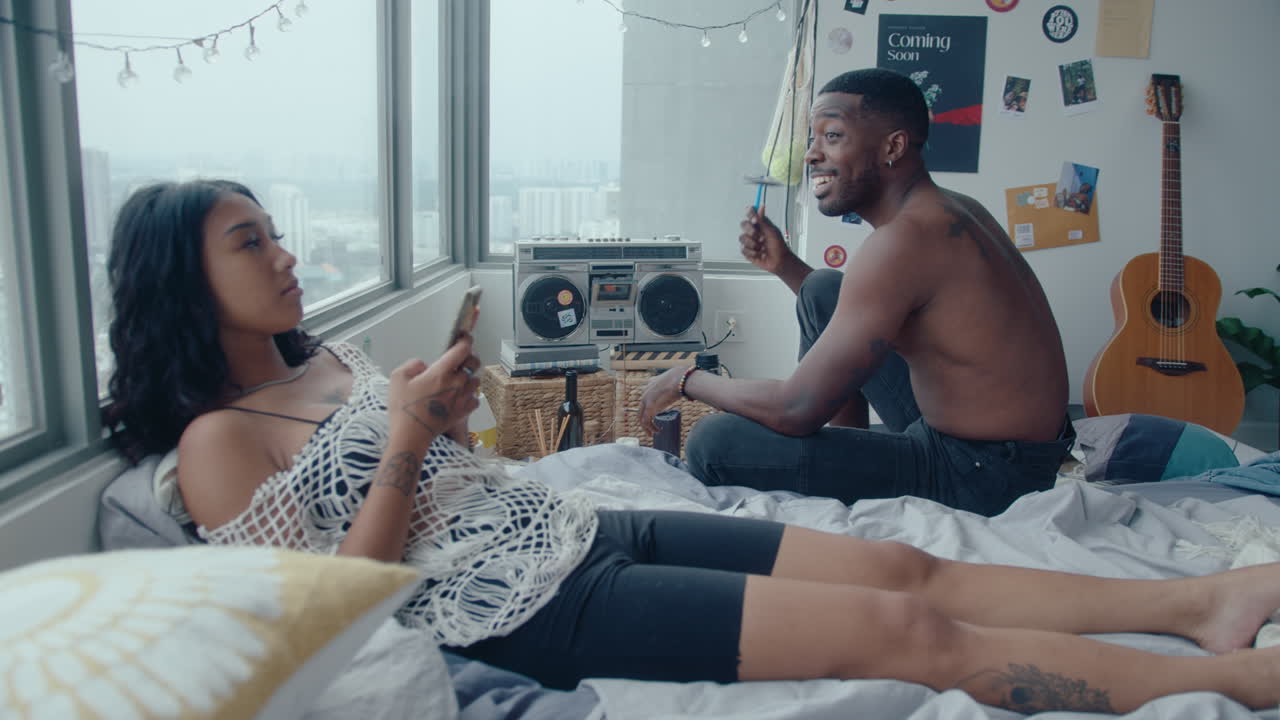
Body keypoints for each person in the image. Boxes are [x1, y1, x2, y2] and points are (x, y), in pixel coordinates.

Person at [102, 178, 1280, 715]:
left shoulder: (327, 357)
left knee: (901, 568)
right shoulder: (211, 445)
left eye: (271, 230)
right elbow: (340, 601)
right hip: (506, 606)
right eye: (247, 242)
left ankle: (1194, 601)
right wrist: (408, 438)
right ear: (180, 282)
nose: (283, 254)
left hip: (565, 526)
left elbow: (429, 462)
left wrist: (439, 422)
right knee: (902, 634)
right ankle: (1214, 676)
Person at [641, 68, 1071, 516]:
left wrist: (686, 379)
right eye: (813, 138)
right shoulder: (951, 209)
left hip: (982, 477)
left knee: (716, 442)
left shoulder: (902, 242)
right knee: (822, 288)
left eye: (832, 135)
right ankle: (852, 452)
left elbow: (796, 408)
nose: (811, 155)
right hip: (999, 452)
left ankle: (845, 464)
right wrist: (783, 265)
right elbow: (874, 314)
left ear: (893, 146)